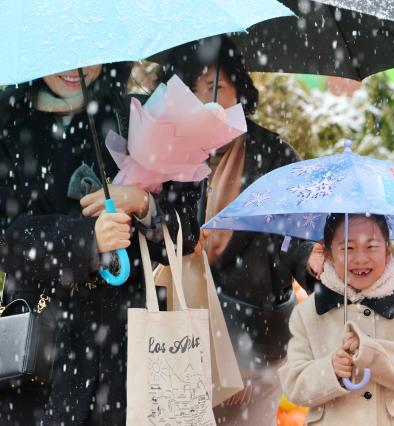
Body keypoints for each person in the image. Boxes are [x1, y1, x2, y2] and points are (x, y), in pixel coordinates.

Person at [0, 64, 200, 424]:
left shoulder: (133, 117)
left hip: (127, 346)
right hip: (40, 344)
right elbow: (8, 239)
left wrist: (142, 202)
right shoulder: (9, 127)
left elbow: (187, 230)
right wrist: (84, 239)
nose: (77, 68)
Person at [159, 36, 323, 425]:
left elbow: (295, 235)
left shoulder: (272, 155)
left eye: (219, 88)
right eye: (196, 91)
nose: (209, 101)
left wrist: (314, 259)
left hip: (253, 339)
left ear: (241, 92)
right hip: (178, 345)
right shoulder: (161, 155)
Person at [278, 213, 394, 426]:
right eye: (348, 248)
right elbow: (294, 384)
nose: (361, 258)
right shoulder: (307, 313)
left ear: (388, 250)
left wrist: (370, 353)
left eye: (371, 246)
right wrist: (329, 369)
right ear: (328, 254)